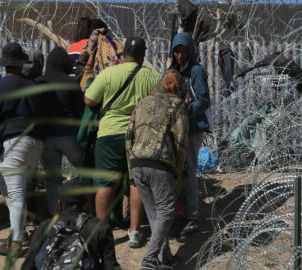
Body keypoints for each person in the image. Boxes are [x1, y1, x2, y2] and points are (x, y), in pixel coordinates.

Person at [0, 42, 51, 255]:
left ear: (5, 65)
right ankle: (17, 233)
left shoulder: (0, 87)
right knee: (9, 188)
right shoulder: (34, 86)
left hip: (16, 142)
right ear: (21, 63)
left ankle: (16, 242)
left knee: (14, 192)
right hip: (37, 144)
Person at [84, 37, 161, 248]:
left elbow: (89, 100)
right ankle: (135, 232)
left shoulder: (108, 73)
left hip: (109, 135)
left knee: (106, 183)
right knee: (137, 182)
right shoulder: (153, 77)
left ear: (123, 53)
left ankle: (101, 232)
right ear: (143, 55)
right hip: (140, 134)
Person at [126, 69, 188, 269]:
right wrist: (178, 170)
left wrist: (130, 169)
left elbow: (128, 136)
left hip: (137, 163)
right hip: (160, 163)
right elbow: (181, 141)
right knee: (167, 210)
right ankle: (150, 260)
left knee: (154, 214)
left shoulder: (143, 102)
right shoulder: (176, 104)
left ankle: (166, 258)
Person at [21, 181, 121, 270]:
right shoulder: (100, 227)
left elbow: (28, 265)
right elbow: (111, 266)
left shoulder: (45, 226)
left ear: (59, 203)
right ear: (86, 203)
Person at [169, 32, 210, 240]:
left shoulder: (196, 71)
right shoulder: (172, 71)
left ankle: (193, 216)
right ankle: (180, 209)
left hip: (192, 128)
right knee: (176, 171)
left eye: (183, 51)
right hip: (176, 129)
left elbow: (204, 100)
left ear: (190, 52)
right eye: (176, 51)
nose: (179, 56)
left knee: (188, 170)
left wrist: (184, 110)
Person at [35, 47, 84, 215]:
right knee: (82, 171)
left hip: (47, 138)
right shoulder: (71, 83)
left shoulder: (39, 82)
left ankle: (56, 215)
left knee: (53, 179)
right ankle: (79, 208)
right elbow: (80, 112)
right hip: (69, 135)